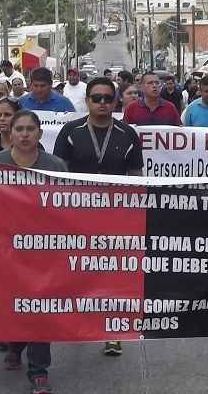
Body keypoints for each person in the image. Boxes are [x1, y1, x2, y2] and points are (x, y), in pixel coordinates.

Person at [53, 77, 144, 357]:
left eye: (107, 98)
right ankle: (77, 324)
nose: (102, 102)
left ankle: (112, 332)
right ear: (87, 101)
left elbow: (137, 178)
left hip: (115, 217)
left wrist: (136, 215)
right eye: (96, 98)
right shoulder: (70, 131)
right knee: (78, 273)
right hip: (77, 216)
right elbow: (58, 176)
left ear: (115, 101)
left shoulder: (128, 134)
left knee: (113, 276)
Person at [0, 110, 65, 393]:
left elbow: (69, 209)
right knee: (13, 302)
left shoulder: (55, 165)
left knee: (40, 306)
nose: (25, 134)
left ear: (40, 134)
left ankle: (39, 370)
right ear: (11, 133)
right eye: (19, 128)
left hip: (44, 251)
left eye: (31, 129)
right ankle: (15, 344)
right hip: (6, 250)